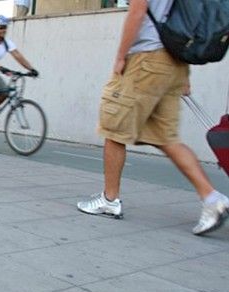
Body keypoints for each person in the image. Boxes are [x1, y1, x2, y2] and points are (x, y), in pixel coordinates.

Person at [76, 0, 229, 236]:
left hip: (146, 58)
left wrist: (121, 55)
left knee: (114, 126)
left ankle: (109, 199)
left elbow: (137, 11)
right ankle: (212, 199)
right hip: (174, 61)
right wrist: (182, 73)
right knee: (166, 137)